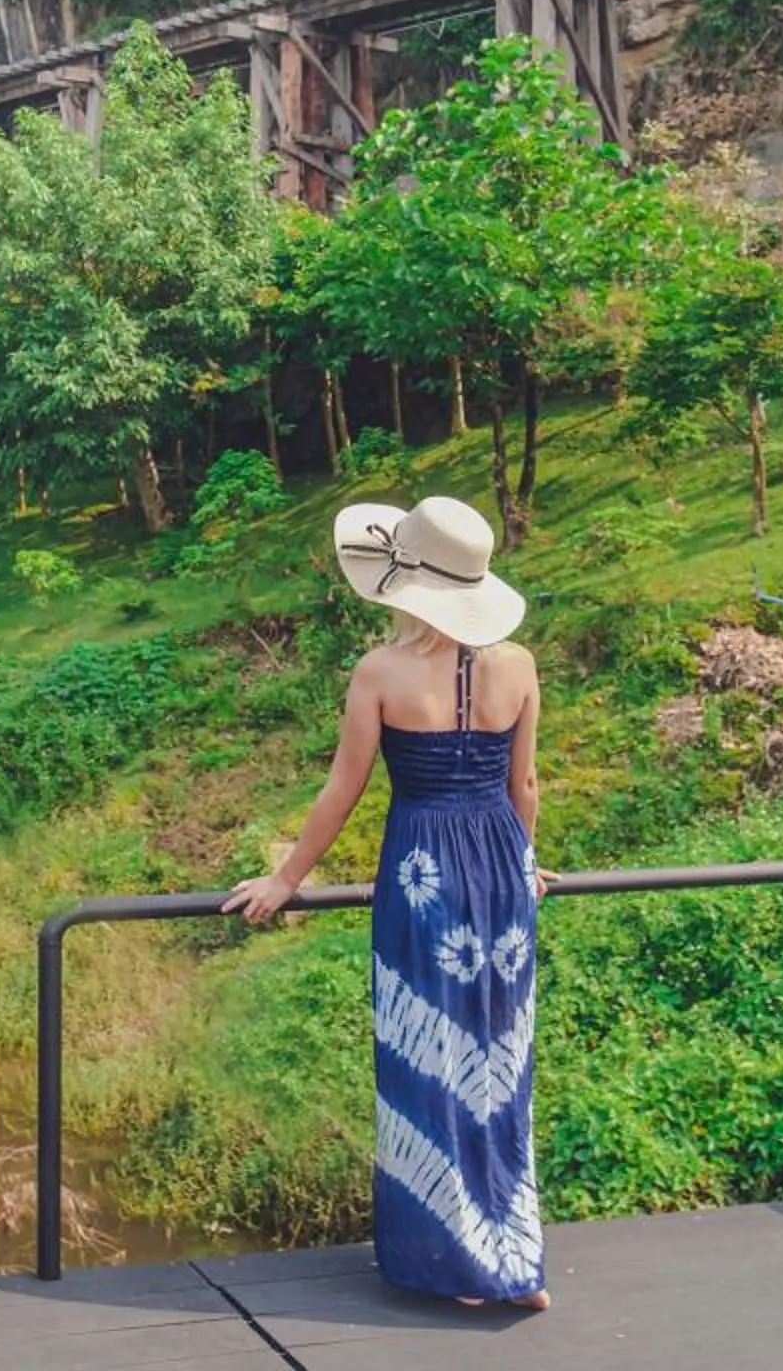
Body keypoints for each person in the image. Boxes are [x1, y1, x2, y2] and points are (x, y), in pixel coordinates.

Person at [222, 494, 552, 1311]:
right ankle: (515, 1261)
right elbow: (526, 788)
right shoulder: (519, 665)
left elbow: (344, 790)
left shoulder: (381, 672)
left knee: (429, 1063)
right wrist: (526, 862)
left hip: (422, 875)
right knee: (500, 1066)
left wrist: (286, 879)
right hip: (501, 875)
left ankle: (459, 1269)